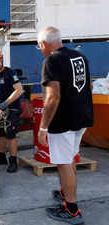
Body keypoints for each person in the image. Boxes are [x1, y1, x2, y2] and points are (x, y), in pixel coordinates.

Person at [37, 27, 93, 225]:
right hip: (81, 117)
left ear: (44, 44)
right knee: (70, 159)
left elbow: (53, 97)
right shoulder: (79, 57)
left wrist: (43, 127)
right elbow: (89, 86)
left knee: (64, 163)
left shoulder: (51, 60)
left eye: (39, 46)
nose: (40, 49)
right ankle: (65, 191)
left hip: (63, 121)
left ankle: (71, 208)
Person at [0, 48, 24, 173]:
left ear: (1, 59)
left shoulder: (10, 73)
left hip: (12, 107)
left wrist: (6, 103)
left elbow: (19, 90)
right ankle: (1, 157)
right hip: (1, 108)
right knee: (0, 132)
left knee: (10, 133)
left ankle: (13, 161)